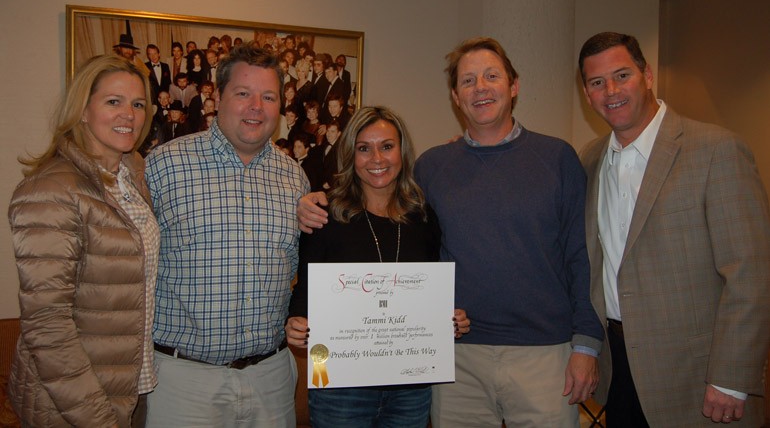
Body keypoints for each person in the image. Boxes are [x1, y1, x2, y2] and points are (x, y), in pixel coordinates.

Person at [298, 37, 604, 427]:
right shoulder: (434, 168)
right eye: (468, 81)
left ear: (514, 85)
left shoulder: (557, 158)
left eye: (491, 76)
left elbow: (582, 255)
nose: (480, 88)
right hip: (455, 360)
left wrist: (586, 346)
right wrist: (311, 202)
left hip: (544, 354)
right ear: (456, 97)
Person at [577, 31, 770, 427]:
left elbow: (751, 273)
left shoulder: (715, 150)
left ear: (647, 75)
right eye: (597, 82)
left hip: (699, 377)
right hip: (619, 370)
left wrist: (731, 378)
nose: (610, 91)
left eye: (622, 76)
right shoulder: (590, 159)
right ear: (587, 94)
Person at [144, 40, 309, 427]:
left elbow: (302, 268)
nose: (256, 107)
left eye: (268, 96)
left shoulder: (295, 178)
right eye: (243, 93)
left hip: (271, 378)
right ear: (218, 98)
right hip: (184, 383)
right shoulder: (164, 166)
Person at [286, 106, 470, 428]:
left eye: (387, 146)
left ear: (402, 151)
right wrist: (297, 324)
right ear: (350, 155)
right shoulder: (326, 215)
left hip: (410, 388)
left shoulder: (422, 218)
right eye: (364, 148)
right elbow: (305, 295)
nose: (377, 159)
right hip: (340, 389)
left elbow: (431, 293)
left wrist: (449, 320)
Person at [7, 54, 158, 427]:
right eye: (113, 101)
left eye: (138, 104)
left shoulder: (131, 177)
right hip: (73, 405)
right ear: (83, 111)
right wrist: (97, 418)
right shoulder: (51, 189)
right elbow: (47, 324)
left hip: (131, 386)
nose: (129, 115)